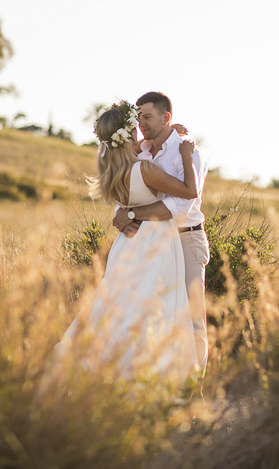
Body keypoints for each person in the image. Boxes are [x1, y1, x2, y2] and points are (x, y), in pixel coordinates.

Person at [52, 101, 199, 381]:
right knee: (154, 306)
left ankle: (95, 364)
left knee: (120, 302)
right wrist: (185, 153)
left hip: (127, 243)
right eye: (136, 127)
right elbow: (190, 192)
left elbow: (132, 150)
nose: (141, 129)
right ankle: (142, 373)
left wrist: (168, 133)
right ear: (129, 133)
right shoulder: (145, 169)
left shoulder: (110, 172)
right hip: (156, 243)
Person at [112, 92, 210, 373]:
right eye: (139, 117)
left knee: (191, 317)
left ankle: (196, 387)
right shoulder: (139, 152)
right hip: (151, 242)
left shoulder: (188, 152)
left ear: (166, 118)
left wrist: (133, 215)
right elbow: (128, 192)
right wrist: (122, 215)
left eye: (147, 117)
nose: (141, 123)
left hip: (186, 238)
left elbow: (183, 203)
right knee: (152, 312)